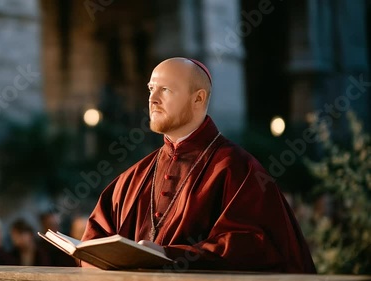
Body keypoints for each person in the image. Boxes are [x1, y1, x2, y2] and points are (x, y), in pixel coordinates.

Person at [81, 57, 316, 273]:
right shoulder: (134, 176)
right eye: (151, 89)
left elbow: (255, 245)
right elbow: (93, 242)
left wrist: (169, 255)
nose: (153, 99)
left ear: (198, 98)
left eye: (166, 89)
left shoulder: (238, 168)